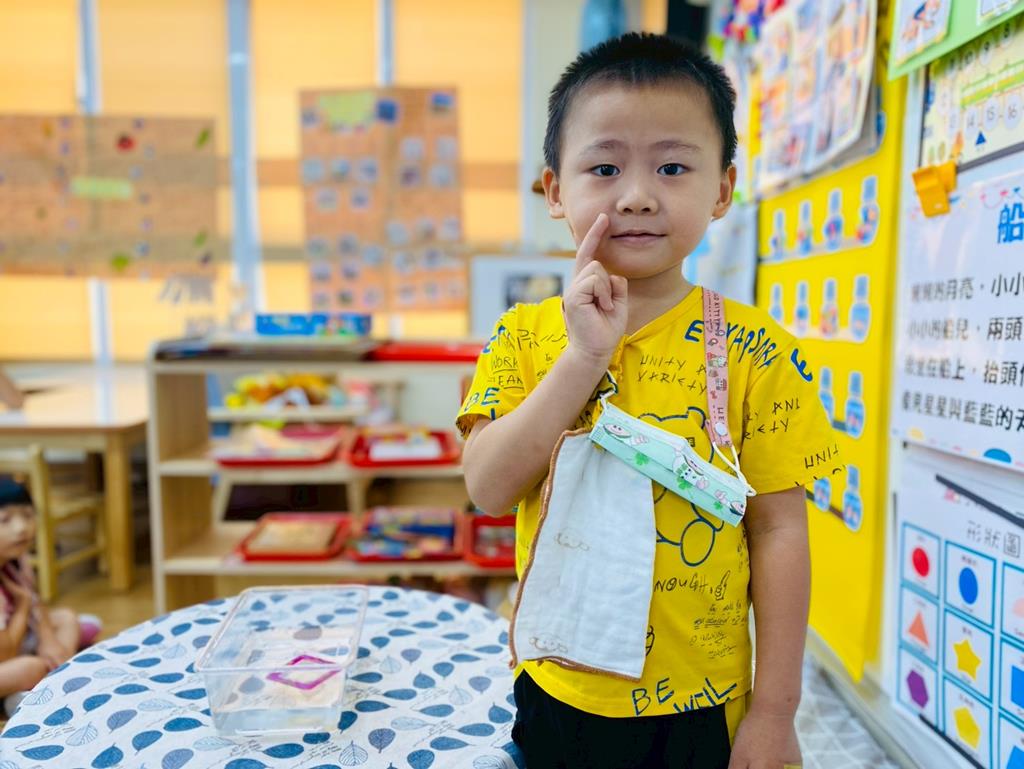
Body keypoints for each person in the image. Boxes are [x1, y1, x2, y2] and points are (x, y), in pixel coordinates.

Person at [458, 32, 842, 769]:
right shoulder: (524, 335)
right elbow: (489, 488)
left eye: (672, 166)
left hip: (702, 703)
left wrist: (775, 711)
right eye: (605, 167)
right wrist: (582, 357)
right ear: (555, 190)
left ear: (722, 190)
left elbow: (778, 531)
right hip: (557, 686)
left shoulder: (757, 350)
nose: (637, 194)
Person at [0, 479, 101, 716]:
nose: (21, 528)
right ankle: (23, 693)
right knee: (32, 666)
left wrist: (48, 638)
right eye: (5, 520)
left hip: (13, 639)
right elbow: (5, 654)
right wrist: (23, 605)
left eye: (27, 515)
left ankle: (42, 684)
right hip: (6, 652)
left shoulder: (16, 557)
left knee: (66, 617)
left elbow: (37, 602)